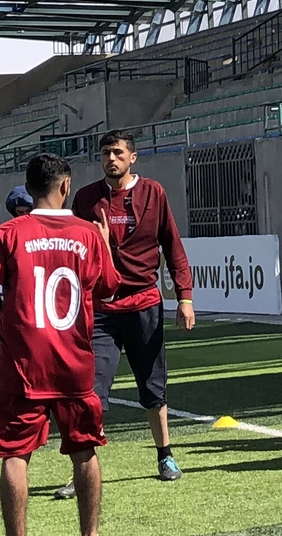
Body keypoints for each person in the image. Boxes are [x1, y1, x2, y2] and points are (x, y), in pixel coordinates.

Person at [0, 153, 119, 536]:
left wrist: (16, 314)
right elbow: (109, 289)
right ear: (66, 185)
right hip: (73, 361)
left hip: (23, 363)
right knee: (84, 450)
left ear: (28, 188)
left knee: (15, 455)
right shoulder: (88, 234)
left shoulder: (6, 233)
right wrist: (105, 243)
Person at [64, 129, 195, 494]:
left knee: (153, 387)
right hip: (100, 310)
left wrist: (184, 297)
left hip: (144, 304)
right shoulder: (86, 198)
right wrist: (99, 248)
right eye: (106, 152)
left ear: (132, 158)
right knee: (91, 392)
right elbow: (73, 251)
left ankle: (165, 455)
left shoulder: (153, 192)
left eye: (118, 152)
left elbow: (172, 245)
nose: (111, 158)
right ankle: (82, 470)